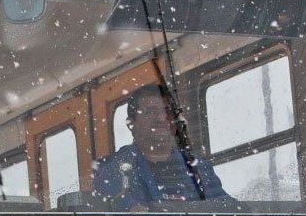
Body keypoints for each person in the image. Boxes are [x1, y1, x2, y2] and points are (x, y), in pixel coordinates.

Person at [90, 85, 227, 208]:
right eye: (151, 112)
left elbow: (227, 209)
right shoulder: (112, 169)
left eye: (167, 111)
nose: (161, 118)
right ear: (131, 124)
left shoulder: (198, 167)